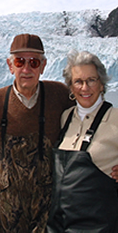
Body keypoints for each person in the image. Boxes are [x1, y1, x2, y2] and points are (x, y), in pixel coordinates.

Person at [0, 33, 74, 233]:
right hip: (9, 210)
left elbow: (91, 117)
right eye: (20, 61)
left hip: (50, 208)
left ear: (44, 65)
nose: (27, 69)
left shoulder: (61, 95)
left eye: (34, 62)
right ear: (10, 65)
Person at [46, 50, 118, 232]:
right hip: (58, 225)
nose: (84, 88)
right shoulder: (65, 118)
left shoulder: (115, 119)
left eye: (91, 80)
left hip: (99, 227)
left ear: (102, 84)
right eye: (78, 81)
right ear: (71, 87)